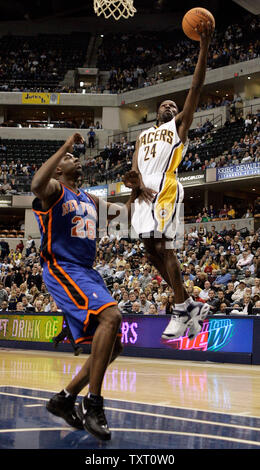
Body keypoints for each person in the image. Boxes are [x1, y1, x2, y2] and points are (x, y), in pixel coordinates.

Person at [31, 132, 142, 441]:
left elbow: (127, 216)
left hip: (87, 273)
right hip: (62, 267)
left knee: (113, 345)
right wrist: (64, 146)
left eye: (74, 156)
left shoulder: (89, 199)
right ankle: (94, 404)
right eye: (69, 158)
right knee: (112, 317)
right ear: (57, 168)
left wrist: (134, 190)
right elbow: (36, 184)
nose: (75, 158)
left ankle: (64, 398)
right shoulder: (54, 191)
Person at [125, 22, 213, 340]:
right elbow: (134, 168)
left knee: (165, 248)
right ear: (155, 111)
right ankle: (188, 306)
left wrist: (203, 47)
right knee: (150, 252)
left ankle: (182, 308)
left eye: (173, 106)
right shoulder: (143, 135)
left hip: (166, 188)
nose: (169, 105)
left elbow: (195, 88)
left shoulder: (178, 127)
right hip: (143, 196)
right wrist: (133, 184)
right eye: (164, 104)